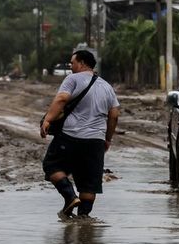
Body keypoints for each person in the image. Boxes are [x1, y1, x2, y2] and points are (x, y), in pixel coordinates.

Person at [40, 50, 120, 221]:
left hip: (71, 136)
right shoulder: (107, 86)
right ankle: (83, 218)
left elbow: (62, 98)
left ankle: (69, 196)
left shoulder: (72, 79)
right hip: (96, 141)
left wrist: (47, 120)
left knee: (51, 165)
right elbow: (114, 115)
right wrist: (107, 138)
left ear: (82, 63)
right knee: (89, 181)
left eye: (72, 63)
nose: (70, 66)